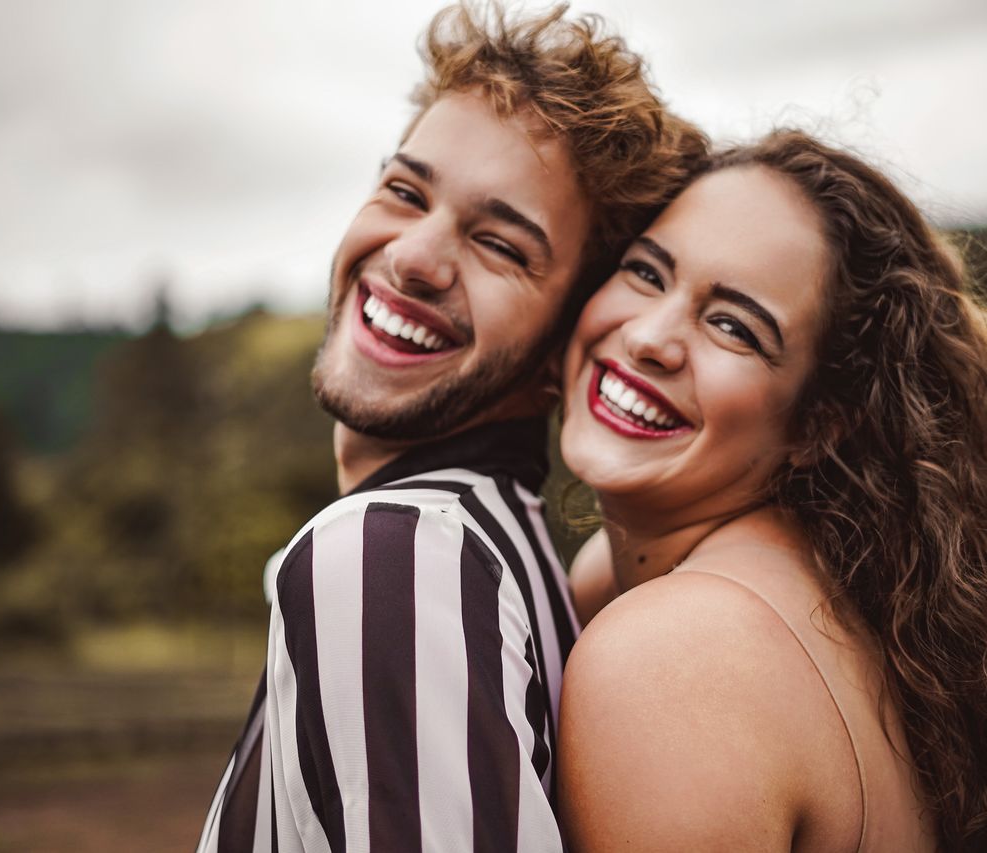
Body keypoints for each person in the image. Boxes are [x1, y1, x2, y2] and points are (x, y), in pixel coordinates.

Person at [556, 130, 987, 852]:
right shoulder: (663, 576)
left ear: (818, 423)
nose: (651, 335)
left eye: (733, 327)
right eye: (647, 273)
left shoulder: (674, 655)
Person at [196, 4, 707, 851]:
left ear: (565, 353)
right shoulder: (499, 554)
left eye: (502, 245)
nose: (413, 256)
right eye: (405, 191)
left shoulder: (391, 555)